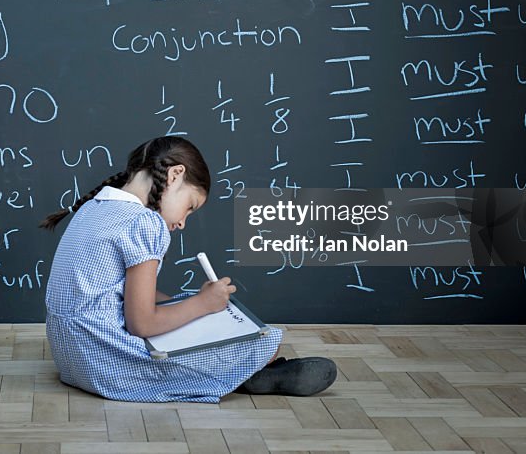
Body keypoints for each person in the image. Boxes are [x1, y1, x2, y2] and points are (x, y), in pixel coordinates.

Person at [39, 136, 337, 403]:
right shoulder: (144, 223)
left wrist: (191, 305)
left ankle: (244, 372)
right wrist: (202, 304)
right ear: (175, 174)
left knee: (188, 308)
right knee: (264, 343)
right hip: (107, 364)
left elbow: (120, 290)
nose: (182, 222)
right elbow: (141, 325)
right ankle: (253, 371)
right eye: (191, 206)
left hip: (71, 360)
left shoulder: (94, 206)